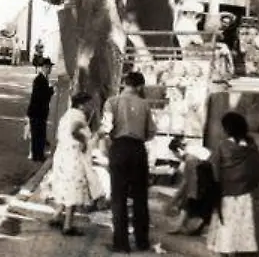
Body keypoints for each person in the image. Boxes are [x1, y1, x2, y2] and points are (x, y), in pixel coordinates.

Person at [100, 70, 156, 253]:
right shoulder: (145, 104)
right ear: (140, 86)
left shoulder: (112, 102)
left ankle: (121, 243)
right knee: (140, 197)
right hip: (138, 150)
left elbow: (106, 128)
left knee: (119, 197)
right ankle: (142, 241)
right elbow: (150, 133)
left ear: (125, 84)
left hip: (119, 149)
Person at [207, 111, 259, 256]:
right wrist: (250, 185)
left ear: (228, 128)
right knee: (242, 227)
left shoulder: (223, 146)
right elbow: (257, 169)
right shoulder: (251, 146)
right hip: (245, 194)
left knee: (226, 228)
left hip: (227, 194)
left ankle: (226, 253)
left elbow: (214, 168)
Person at [46, 92, 101, 236]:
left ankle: (56, 216)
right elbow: (74, 131)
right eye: (89, 104)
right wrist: (84, 141)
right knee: (73, 188)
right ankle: (68, 225)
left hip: (63, 155)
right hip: (73, 157)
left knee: (64, 186)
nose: (91, 107)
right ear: (82, 105)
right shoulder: (78, 116)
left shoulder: (68, 114)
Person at [165, 136, 217, 236]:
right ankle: (184, 225)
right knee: (190, 198)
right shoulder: (196, 150)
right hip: (210, 180)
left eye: (175, 154)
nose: (176, 157)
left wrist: (173, 201)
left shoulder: (190, 158)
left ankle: (182, 225)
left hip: (205, 181)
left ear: (178, 151)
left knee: (189, 198)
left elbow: (187, 182)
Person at [26, 57, 55, 162]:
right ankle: (37, 155)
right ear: (44, 67)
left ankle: (38, 154)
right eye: (49, 67)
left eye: (50, 67)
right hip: (37, 112)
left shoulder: (43, 79)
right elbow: (41, 96)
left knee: (40, 134)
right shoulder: (39, 80)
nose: (50, 69)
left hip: (39, 112)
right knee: (37, 134)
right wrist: (51, 90)